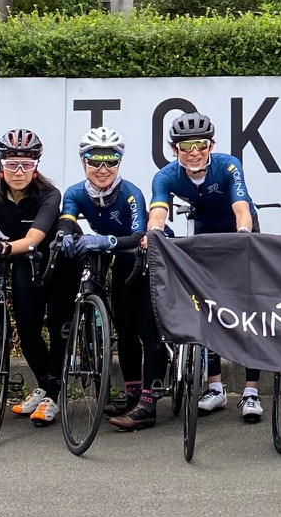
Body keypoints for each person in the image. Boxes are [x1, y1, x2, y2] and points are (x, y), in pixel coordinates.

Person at [148, 111, 258, 421]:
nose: (194, 152)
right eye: (186, 146)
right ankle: (215, 388)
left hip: (239, 231)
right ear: (175, 150)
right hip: (204, 232)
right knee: (206, 308)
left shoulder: (227, 165)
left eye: (200, 145)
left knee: (246, 309)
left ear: (210, 145)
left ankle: (251, 391)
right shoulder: (167, 175)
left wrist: (243, 237)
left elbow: (241, 207)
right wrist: (154, 234)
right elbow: (158, 212)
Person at [56, 127, 157, 432]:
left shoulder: (131, 194)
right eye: (94, 161)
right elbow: (67, 218)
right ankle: (132, 394)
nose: (102, 170)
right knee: (124, 329)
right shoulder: (75, 192)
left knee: (146, 330)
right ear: (83, 161)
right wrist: (64, 235)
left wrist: (104, 242)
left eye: (110, 162)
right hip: (119, 262)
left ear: (119, 163)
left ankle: (149, 404)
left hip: (142, 260)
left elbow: (139, 235)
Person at [0, 129, 65, 427]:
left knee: (56, 326)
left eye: (26, 164)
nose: (19, 171)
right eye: (12, 165)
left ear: (36, 166)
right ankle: (45, 386)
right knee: (27, 328)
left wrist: (4, 247)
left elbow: (35, 238)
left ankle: (53, 395)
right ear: (1, 166)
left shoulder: (49, 194)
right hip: (22, 260)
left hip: (57, 261)